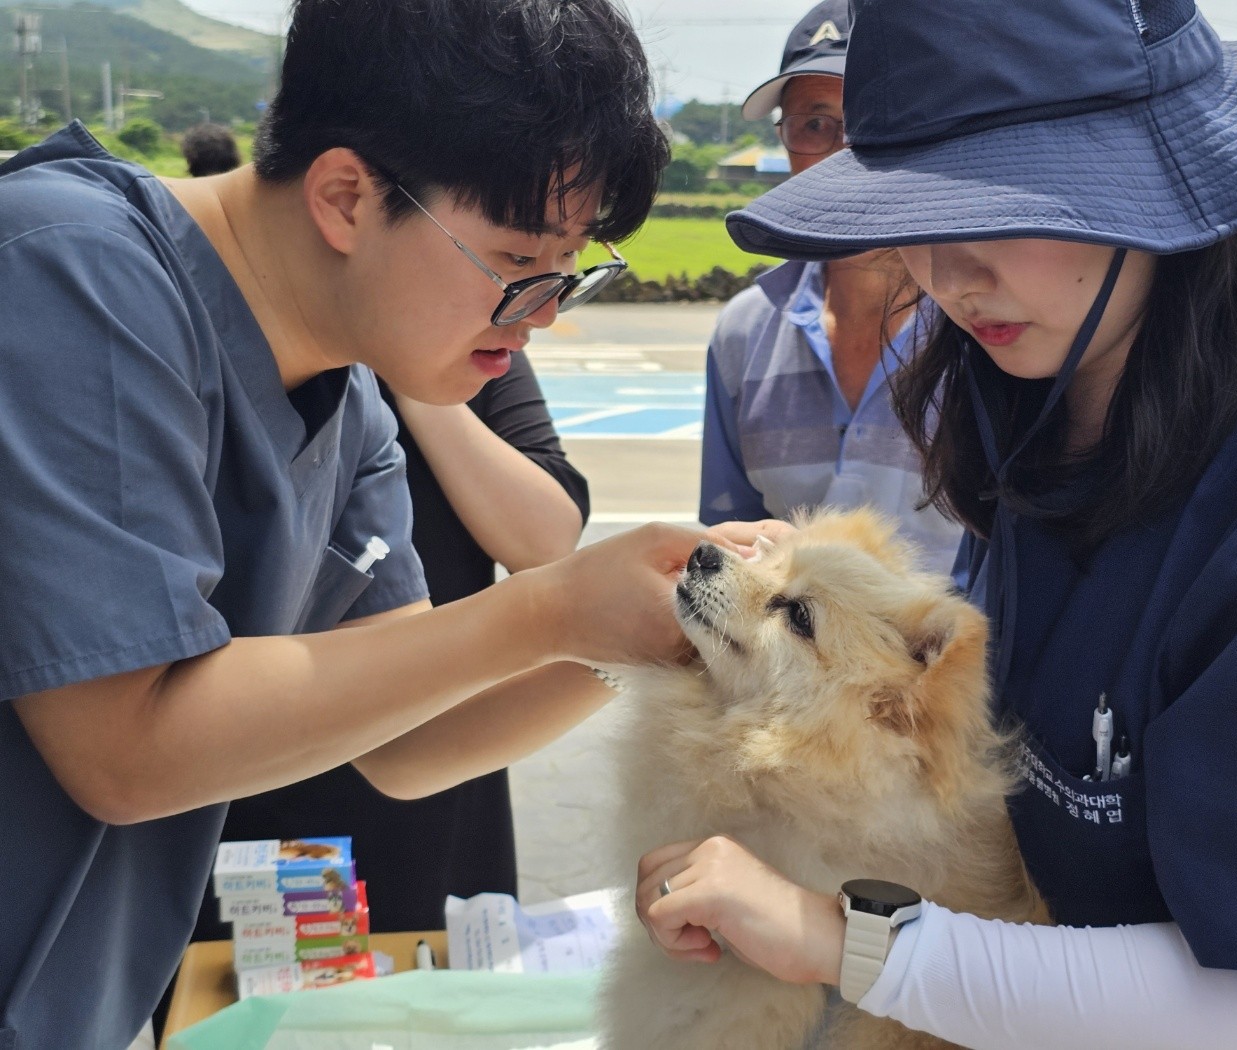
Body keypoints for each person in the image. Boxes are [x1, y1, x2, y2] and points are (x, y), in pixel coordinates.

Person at [634, 0, 1237, 1047]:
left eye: (998, 204)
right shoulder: (1036, 426)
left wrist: (832, 937)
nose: (949, 275)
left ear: (1152, 185)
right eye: (917, 214)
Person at [0, 0, 752, 1045]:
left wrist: (659, 637)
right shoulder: (71, 272)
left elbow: (407, 743)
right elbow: (126, 748)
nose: (540, 316)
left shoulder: (349, 399)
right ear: (347, 196)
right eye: (517, 261)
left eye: (575, 271)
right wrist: (545, 611)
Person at [193, 351, 586, 939]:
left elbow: (547, 536)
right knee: (259, 1004)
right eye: (514, 256)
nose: (540, 313)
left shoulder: (472, 341)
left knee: (435, 990)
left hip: (441, 746)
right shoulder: (241, 356)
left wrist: (423, 383)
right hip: (260, 766)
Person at [698, 0, 963, 571]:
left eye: (873, 120)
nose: (844, 154)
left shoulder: (986, 326)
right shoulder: (744, 332)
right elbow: (728, 545)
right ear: (785, 140)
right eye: (815, 125)